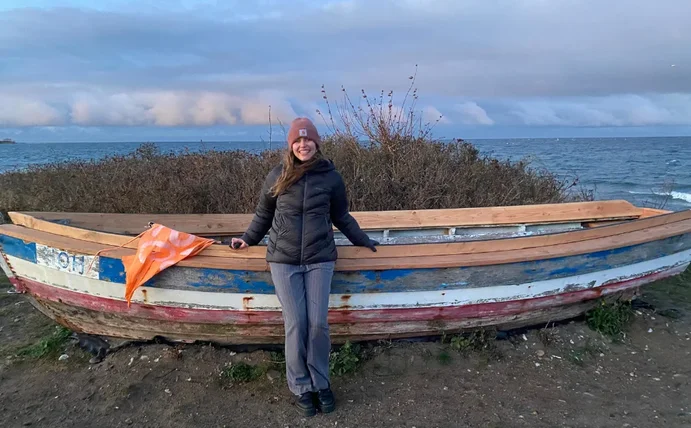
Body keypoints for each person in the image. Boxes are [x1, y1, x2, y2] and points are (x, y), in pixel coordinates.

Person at [231, 117, 378, 417]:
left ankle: (321, 383)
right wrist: (248, 239)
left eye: (307, 140)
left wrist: (362, 239)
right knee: (296, 324)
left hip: (320, 260)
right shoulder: (277, 176)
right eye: (297, 141)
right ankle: (300, 387)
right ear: (290, 145)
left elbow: (342, 216)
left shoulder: (331, 178)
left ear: (316, 143)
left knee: (318, 325)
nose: (303, 145)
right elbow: (263, 215)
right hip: (283, 261)